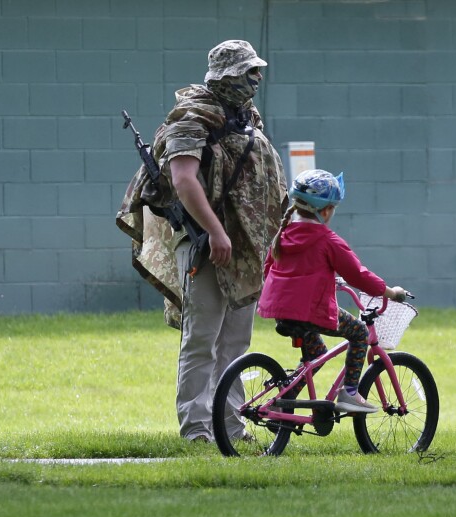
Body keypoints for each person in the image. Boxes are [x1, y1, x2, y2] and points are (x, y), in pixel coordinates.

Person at [116, 40, 287, 443]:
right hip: (203, 242)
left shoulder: (247, 118)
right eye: (249, 72)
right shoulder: (191, 119)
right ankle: (196, 429)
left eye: (257, 71)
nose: (256, 79)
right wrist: (214, 231)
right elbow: (183, 179)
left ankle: (231, 425)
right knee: (203, 337)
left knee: (236, 340)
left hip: (242, 244)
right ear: (227, 75)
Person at [257, 169, 407, 413]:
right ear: (325, 211)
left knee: (317, 352)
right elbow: (358, 275)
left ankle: (284, 403)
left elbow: (269, 270)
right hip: (311, 313)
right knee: (359, 332)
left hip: (282, 312)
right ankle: (349, 394)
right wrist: (390, 292)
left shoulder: (282, 235)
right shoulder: (328, 241)